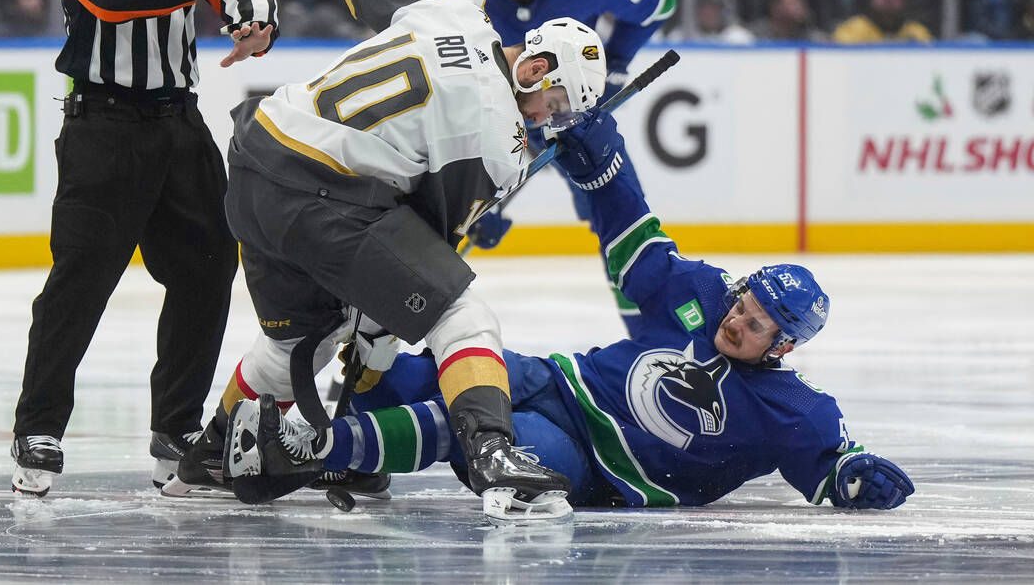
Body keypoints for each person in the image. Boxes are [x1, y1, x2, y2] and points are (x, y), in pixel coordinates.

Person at [222, 110, 915, 516]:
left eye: (758, 323)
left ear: (783, 347)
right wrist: (608, 171)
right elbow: (637, 253)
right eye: (745, 303)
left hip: (593, 464)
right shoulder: (704, 299)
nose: (737, 319)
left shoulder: (792, 411)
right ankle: (298, 435)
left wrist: (857, 479)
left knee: (482, 434)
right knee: (426, 373)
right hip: (557, 381)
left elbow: (830, 467)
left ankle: (301, 450)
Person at [163, 0, 612, 522]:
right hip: (320, 194)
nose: (546, 122)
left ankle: (212, 453)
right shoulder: (496, 147)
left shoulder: (452, 12)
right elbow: (419, 261)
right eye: (553, 105)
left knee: (301, 339)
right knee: (463, 314)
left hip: (255, 159)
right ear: (533, 66)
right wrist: (375, 352)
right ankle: (492, 450)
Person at [10, 0, 279, 497]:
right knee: (82, 279)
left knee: (209, 265)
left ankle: (177, 429)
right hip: (104, 127)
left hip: (177, 124)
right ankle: (38, 427)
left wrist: (256, 22)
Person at [469, 0, 676, 325]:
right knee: (457, 216)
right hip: (484, 117)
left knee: (618, 206)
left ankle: (648, 334)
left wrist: (618, 60)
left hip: (563, 112)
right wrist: (476, 201)